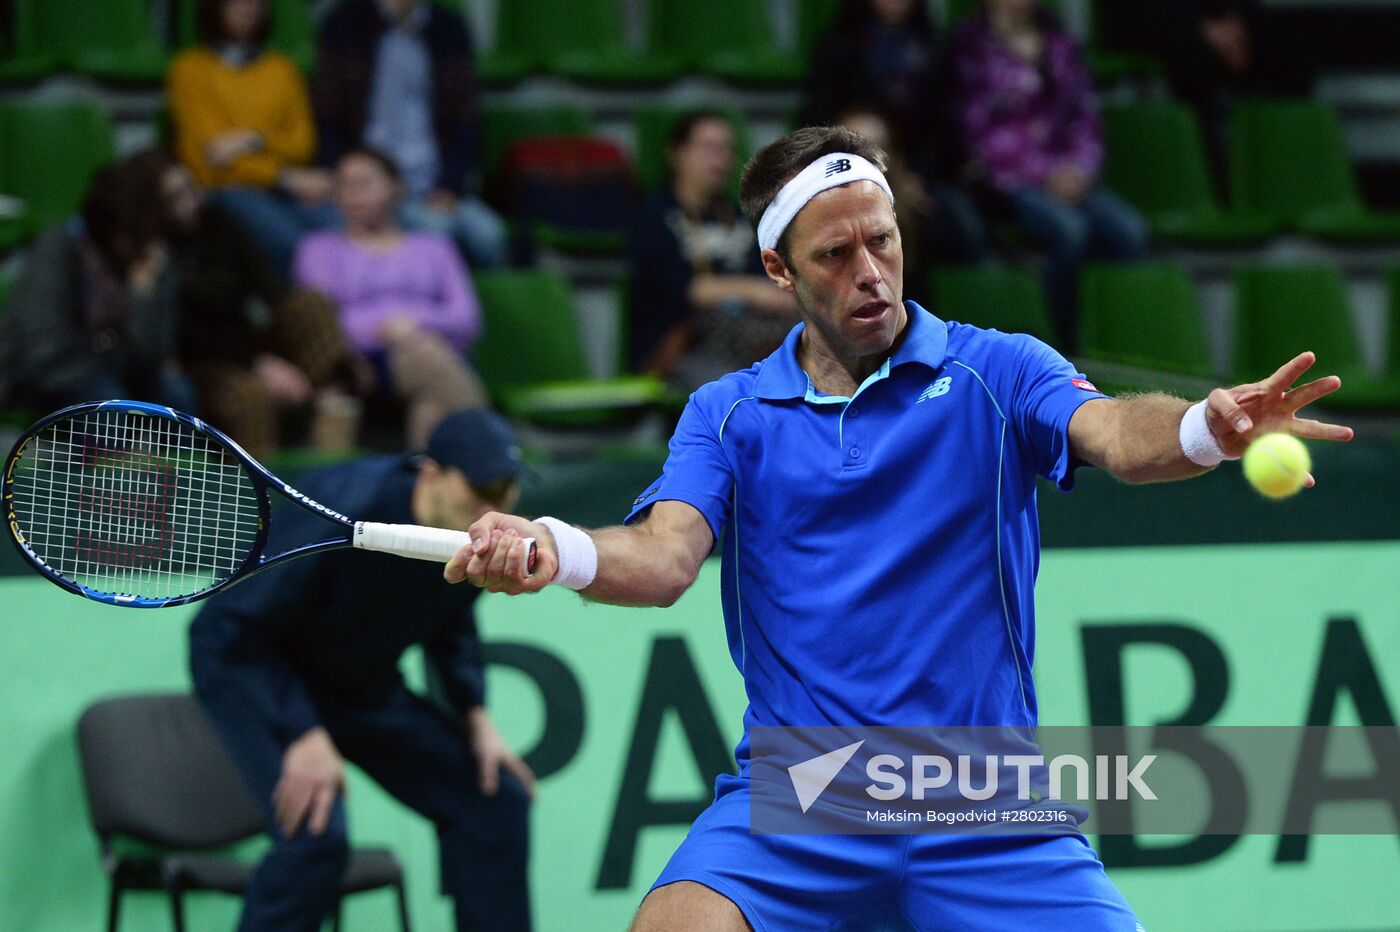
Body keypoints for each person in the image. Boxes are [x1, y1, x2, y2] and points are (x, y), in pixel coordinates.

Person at [444, 126, 1354, 930]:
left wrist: (1204, 428)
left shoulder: (998, 368)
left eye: (881, 242)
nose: (869, 274)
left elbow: (1116, 433)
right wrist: (554, 548)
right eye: (835, 255)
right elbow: (664, 555)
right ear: (779, 270)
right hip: (798, 801)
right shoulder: (726, 415)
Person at [190, 409, 534, 932]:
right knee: (315, 837)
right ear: (430, 475)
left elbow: (450, 628)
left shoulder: (476, 532)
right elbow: (229, 632)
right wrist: (300, 733)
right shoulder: (344, 509)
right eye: (480, 489)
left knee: (494, 802)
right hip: (256, 671)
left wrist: (476, 716)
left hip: (359, 686)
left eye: (507, 490)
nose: (495, 508)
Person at [950, 0, 1150, 349]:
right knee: (1069, 232)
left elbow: (1086, 118)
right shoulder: (969, 48)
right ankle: (1063, 350)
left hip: (1072, 177)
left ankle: (1114, 345)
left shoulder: (1060, 42)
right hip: (1006, 183)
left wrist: (1080, 168)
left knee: (1130, 234)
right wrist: (1045, 175)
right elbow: (976, 135)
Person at [161, 157, 361, 459]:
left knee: (312, 304)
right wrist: (258, 363)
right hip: (202, 361)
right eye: (176, 197)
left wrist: (337, 360)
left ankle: (331, 420)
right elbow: (188, 337)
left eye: (191, 189)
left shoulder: (218, 222)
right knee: (252, 394)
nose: (191, 202)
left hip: (246, 341)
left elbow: (267, 290)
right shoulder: (153, 252)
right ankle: (263, 493)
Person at [294, 148, 488, 449]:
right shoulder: (319, 249)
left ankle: (419, 488)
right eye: (345, 185)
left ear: (395, 186)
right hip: (362, 364)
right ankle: (495, 460)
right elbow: (319, 322)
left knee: (431, 408)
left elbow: (467, 318)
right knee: (426, 355)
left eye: (364, 183)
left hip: (437, 354)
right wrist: (386, 328)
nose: (353, 194)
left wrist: (413, 324)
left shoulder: (434, 247)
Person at [313, 0, 508, 269]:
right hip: (373, 184)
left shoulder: (448, 28)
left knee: (490, 236)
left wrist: (449, 186)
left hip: (434, 182)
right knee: (438, 234)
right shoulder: (345, 24)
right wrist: (342, 179)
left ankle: (469, 306)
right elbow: (329, 114)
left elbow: (466, 120)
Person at [0, 150, 194, 413]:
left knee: (174, 393)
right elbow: (46, 355)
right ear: (112, 227)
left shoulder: (149, 258)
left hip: (115, 375)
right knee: (107, 399)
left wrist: (142, 296)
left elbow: (152, 357)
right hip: (54, 381)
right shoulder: (60, 249)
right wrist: (113, 357)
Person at [806, 0, 988, 265]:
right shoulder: (839, 45)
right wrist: (890, 177)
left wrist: (919, 177)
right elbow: (821, 124)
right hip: (854, 170)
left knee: (962, 227)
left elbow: (940, 127)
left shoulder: (933, 46)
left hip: (924, 175)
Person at [629, 111, 797, 393]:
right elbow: (684, 289)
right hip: (682, 347)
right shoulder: (654, 217)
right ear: (677, 153)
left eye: (726, 149)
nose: (720, 158)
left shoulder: (738, 216)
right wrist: (755, 292)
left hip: (748, 338)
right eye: (709, 148)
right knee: (734, 389)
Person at [168, 0, 336, 276]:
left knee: (340, 230)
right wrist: (283, 176)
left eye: (257, 2)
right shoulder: (190, 69)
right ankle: (299, 316)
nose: (249, 8)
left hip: (284, 186)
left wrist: (253, 138)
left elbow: (303, 145)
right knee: (293, 244)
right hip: (224, 189)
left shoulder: (282, 70)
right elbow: (208, 161)